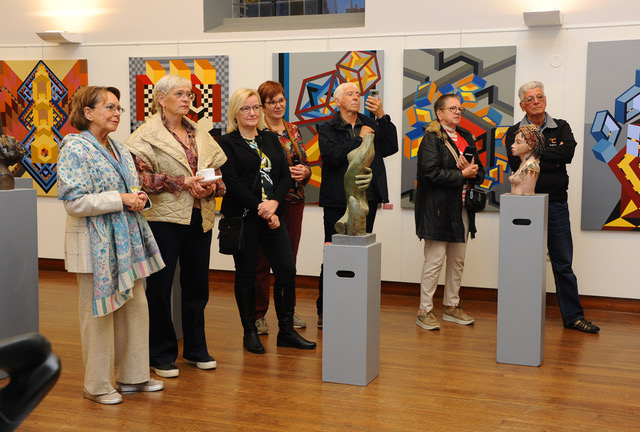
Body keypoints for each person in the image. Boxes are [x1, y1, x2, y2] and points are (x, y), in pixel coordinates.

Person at [58, 86, 165, 404]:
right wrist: (120, 199)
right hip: (94, 243)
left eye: (119, 108)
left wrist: (140, 198)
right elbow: (74, 201)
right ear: (88, 112)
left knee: (136, 307)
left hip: (127, 242)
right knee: (98, 315)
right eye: (109, 107)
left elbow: (132, 188)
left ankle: (133, 376)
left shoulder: (120, 148)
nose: (117, 113)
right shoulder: (74, 148)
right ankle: (97, 384)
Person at [125, 74, 228, 378]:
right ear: (161, 99)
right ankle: (161, 353)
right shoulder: (145, 135)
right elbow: (139, 179)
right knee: (160, 288)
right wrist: (182, 182)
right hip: (163, 220)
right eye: (180, 94)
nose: (186, 99)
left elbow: (217, 173)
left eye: (189, 94)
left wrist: (210, 186)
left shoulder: (200, 133)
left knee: (197, 287)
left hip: (199, 217)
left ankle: (196, 349)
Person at [218, 88, 316, 354]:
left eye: (255, 107)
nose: (252, 113)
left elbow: (284, 175)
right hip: (245, 218)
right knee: (247, 275)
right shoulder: (227, 142)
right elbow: (232, 182)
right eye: (245, 108)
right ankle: (250, 331)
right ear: (235, 113)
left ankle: (286, 331)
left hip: (273, 216)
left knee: (286, 270)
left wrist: (273, 205)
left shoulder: (269, 138)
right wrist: (261, 207)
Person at [505, 81, 600, 333]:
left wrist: (534, 150)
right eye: (530, 98)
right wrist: (549, 154)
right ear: (522, 105)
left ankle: (574, 317)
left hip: (556, 204)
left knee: (563, 264)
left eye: (540, 97)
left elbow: (567, 155)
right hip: (525, 208)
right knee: (523, 263)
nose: (536, 101)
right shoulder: (513, 131)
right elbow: (516, 160)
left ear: (545, 100)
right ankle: (521, 318)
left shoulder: (562, 126)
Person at [316, 82, 398, 327]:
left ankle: (355, 307)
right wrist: (359, 139)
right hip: (337, 200)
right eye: (350, 94)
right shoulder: (327, 127)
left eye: (358, 94)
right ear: (337, 101)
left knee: (360, 253)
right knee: (334, 254)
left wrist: (382, 117)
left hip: (366, 198)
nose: (356, 97)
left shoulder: (371, 122)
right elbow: (332, 156)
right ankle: (326, 309)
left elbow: (390, 147)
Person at [414, 93, 485, 331]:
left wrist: (472, 172)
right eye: (452, 108)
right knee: (434, 260)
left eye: (460, 109)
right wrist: (461, 174)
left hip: (462, 208)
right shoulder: (431, 138)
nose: (458, 112)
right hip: (437, 209)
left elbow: (480, 172)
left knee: (458, 260)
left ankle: (451, 307)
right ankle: (424, 310)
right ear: (439, 113)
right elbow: (429, 174)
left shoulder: (466, 137)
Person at [253, 81, 311, 335]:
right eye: (272, 102)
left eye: (281, 100)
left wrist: (305, 172)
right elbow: (256, 169)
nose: (278, 106)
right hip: (268, 203)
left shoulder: (293, 129)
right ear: (263, 106)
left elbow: (306, 162)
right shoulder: (257, 132)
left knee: (289, 261)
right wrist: (284, 172)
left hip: (294, 201)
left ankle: (288, 310)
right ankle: (258, 314)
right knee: (262, 261)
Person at [509, 124, 544, 195]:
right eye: (514, 142)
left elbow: (527, 195)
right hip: (516, 200)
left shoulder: (531, 166)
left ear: (531, 145)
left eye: (518, 142)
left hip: (522, 201)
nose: (512, 146)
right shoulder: (524, 164)